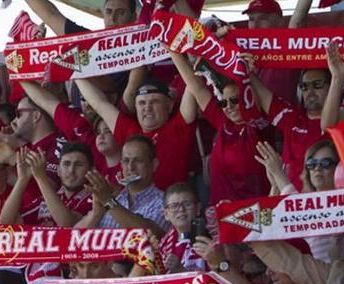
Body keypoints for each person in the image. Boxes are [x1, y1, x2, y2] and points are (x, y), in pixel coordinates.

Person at [169, 50, 271, 203]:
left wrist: (248, 74)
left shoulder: (259, 126)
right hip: (219, 214)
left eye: (235, 100)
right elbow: (197, 87)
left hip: (254, 215)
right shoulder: (223, 122)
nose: (229, 106)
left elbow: (258, 97)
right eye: (223, 102)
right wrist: (171, 50)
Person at [76, 75, 199, 190]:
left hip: (171, 207)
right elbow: (99, 103)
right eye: (141, 103)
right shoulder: (130, 131)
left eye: (155, 101)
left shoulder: (179, 127)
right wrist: (72, 73)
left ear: (170, 105)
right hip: (136, 206)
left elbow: (193, 82)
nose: (147, 107)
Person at [76, 135, 168, 237]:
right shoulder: (114, 198)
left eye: (138, 160)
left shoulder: (164, 202)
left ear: (154, 165)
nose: (130, 167)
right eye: (126, 161)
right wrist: (95, 214)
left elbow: (147, 234)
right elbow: (72, 239)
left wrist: (108, 201)